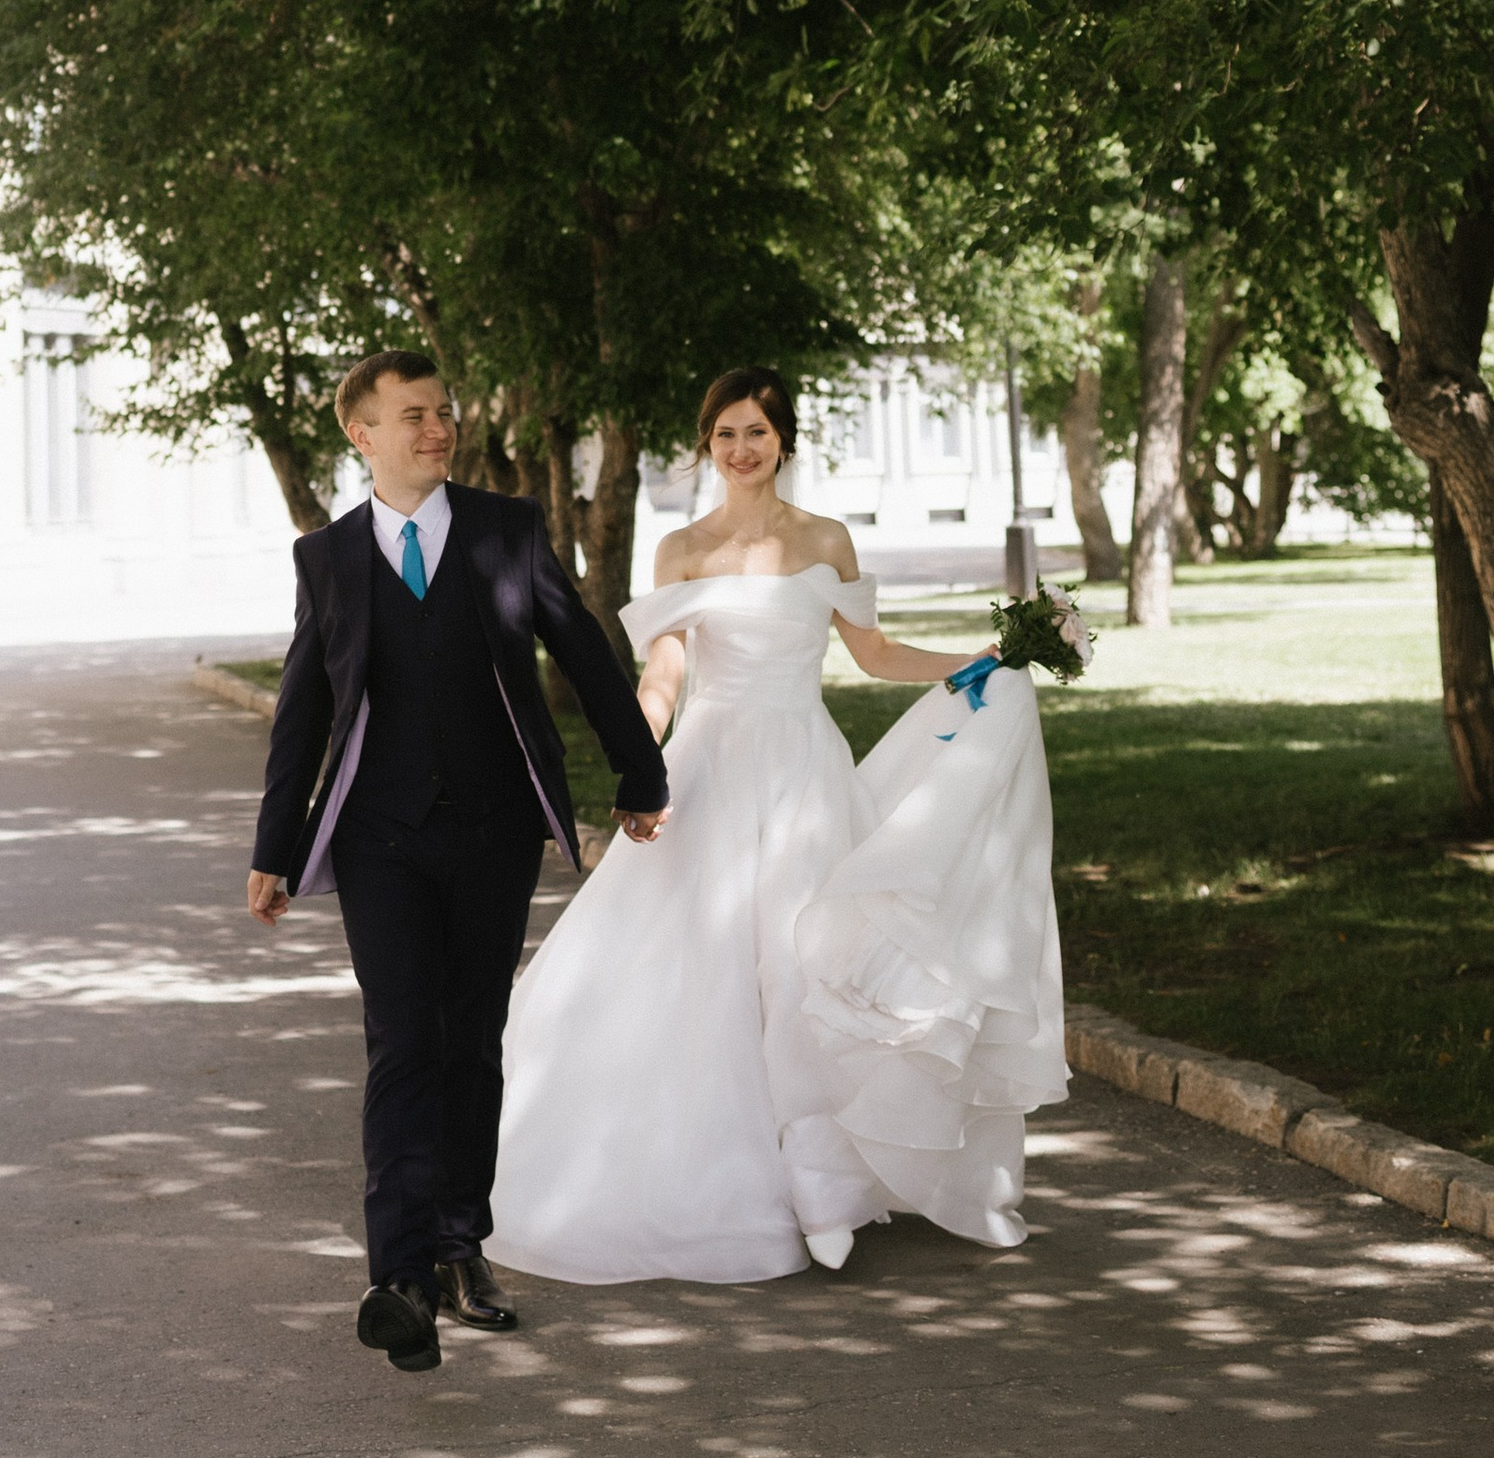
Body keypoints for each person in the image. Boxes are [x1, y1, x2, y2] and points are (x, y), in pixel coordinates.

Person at [488, 365, 1067, 1285]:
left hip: (804, 771)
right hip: (713, 771)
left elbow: (873, 654)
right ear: (706, 444)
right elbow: (665, 678)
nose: (740, 449)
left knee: (808, 964)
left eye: (756, 431)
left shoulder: (826, 539)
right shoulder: (680, 548)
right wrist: (641, 759)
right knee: (701, 976)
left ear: (783, 440)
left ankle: (829, 1187)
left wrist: (984, 657)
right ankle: (743, 1181)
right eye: (724, 433)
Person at [245, 351, 671, 1374]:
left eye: (442, 412)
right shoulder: (329, 560)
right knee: (400, 1037)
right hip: (377, 836)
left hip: (489, 831)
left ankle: (460, 1245)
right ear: (364, 434)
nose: (438, 428)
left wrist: (639, 773)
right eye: (414, 415)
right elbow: (304, 712)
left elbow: (585, 657)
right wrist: (275, 847)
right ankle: (397, 1272)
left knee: (471, 1038)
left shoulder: (507, 532)